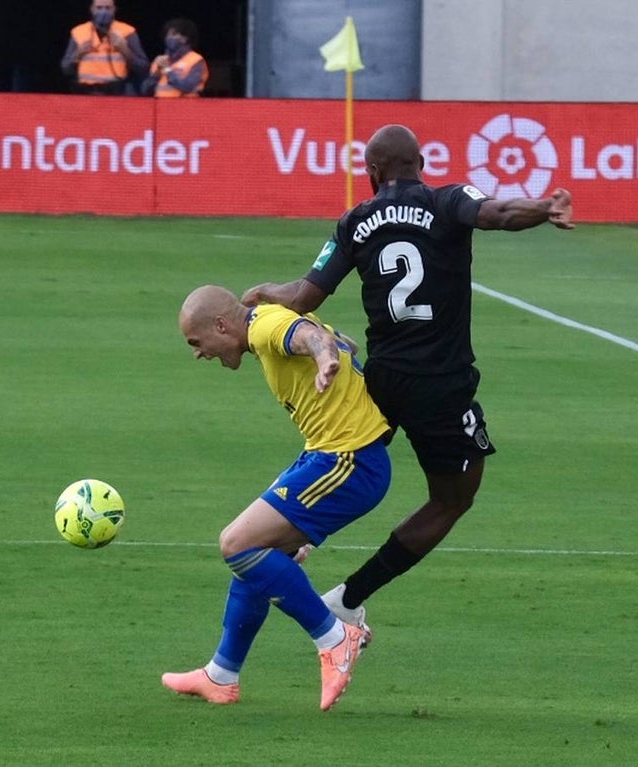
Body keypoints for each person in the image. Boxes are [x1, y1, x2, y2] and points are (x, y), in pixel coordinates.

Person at [242, 123, 573, 629]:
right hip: (441, 386)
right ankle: (348, 598)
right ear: (420, 163)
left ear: (372, 171)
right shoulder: (448, 199)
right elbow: (501, 214)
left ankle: (288, 538)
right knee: (451, 499)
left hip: (382, 381)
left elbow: (303, 298)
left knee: (343, 455)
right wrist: (545, 207)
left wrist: (266, 289)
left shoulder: (355, 220)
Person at [162, 285, 391, 711]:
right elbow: (335, 338)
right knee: (256, 554)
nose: (198, 353)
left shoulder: (267, 326)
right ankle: (221, 676)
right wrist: (336, 346)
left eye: (197, 342)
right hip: (326, 456)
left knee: (236, 543)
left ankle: (335, 637)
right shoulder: (264, 324)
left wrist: (324, 354)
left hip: (349, 461)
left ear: (220, 325)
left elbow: (307, 335)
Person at [60, 0, 148, 95]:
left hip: (116, 92)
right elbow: (65, 69)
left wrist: (125, 50)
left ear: (114, 9)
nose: (103, 12)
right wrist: (78, 54)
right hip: (86, 92)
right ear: (92, 9)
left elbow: (143, 67)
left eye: (108, 8)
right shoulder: (78, 32)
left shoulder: (127, 32)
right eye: (99, 8)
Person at [142, 18, 209, 98]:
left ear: (185, 38)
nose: (169, 38)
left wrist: (168, 70)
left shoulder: (196, 60)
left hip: (186, 106)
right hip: (160, 107)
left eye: (174, 34)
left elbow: (188, 87)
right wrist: (156, 74)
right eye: (167, 35)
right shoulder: (159, 61)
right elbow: (144, 90)